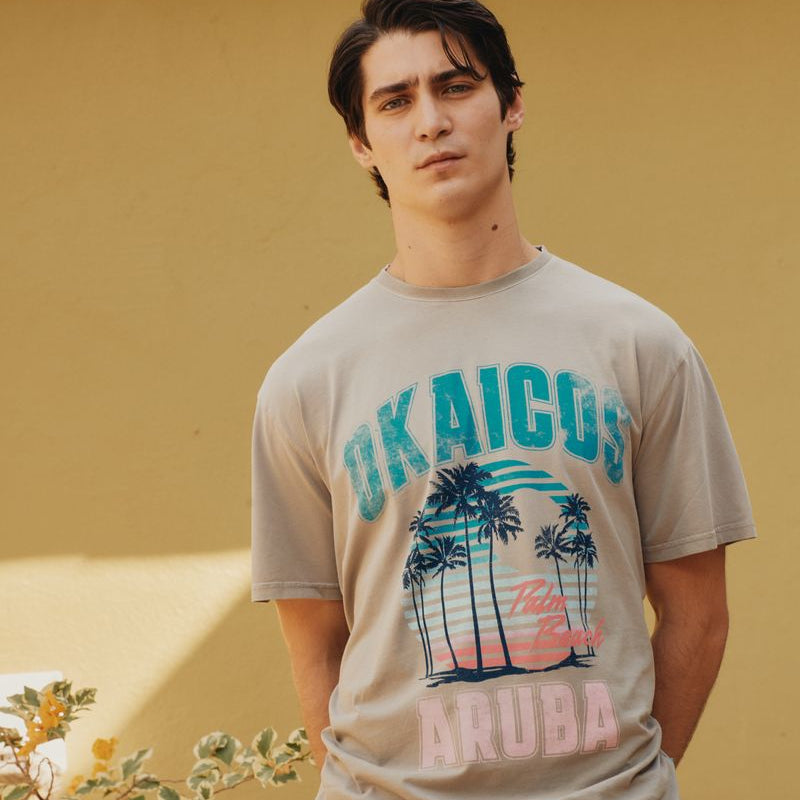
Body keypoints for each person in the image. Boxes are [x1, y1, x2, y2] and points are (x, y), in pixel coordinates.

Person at [250, 1, 757, 798]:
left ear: (511, 104)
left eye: (456, 87)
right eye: (395, 101)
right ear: (361, 143)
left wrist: (636, 777)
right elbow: (314, 641)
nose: (430, 122)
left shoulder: (640, 344)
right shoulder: (308, 381)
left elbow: (698, 609)